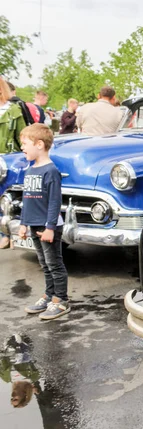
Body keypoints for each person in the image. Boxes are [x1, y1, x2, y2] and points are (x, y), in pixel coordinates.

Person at [18, 123, 70, 319]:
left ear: (39, 144)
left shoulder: (51, 171)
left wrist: (49, 227)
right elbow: (27, 201)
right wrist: (23, 223)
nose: (22, 147)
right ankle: (49, 295)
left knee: (54, 263)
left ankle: (61, 300)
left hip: (49, 226)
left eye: (25, 143)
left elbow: (55, 202)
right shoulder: (30, 170)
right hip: (34, 224)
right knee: (44, 263)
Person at [0, 77, 27, 249]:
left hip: (7, 159)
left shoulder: (13, 110)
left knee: (5, 198)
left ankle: (6, 233)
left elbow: (23, 135)